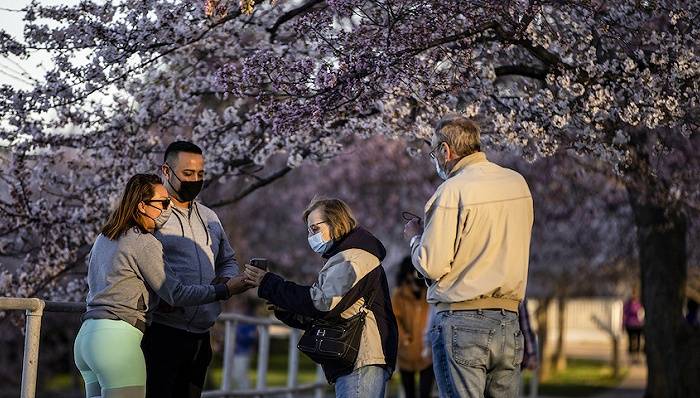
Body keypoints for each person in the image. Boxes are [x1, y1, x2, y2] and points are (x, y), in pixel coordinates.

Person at [74, 174, 253, 398]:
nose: (167, 210)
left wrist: (157, 300)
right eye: (163, 203)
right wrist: (226, 289)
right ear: (142, 205)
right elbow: (176, 293)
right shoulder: (143, 241)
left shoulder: (106, 236)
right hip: (117, 339)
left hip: (87, 338)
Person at [403, 114, 534, 398]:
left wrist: (415, 238)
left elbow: (431, 264)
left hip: (462, 319)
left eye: (433, 152)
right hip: (508, 318)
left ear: (445, 151)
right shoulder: (518, 184)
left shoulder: (453, 189)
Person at [244, 197, 398, 397]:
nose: (310, 236)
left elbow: (324, 303)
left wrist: (270, 284)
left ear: (336, 223)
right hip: (359, 358)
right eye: (308, 230)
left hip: (362, 357)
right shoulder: (346, 256)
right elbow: (333, 311)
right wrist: (288, 311)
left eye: (315, 229)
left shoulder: (352, 257)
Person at [141, 141, 242, 398]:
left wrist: (226, 280)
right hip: (162, 333)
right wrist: (154, 299)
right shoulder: (152, 215)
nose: (195, 180)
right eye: (188, 174)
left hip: (201, 336)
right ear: (166, 171)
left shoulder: (210, 216)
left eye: (200, 174)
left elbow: (228, 259)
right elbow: (132, 259)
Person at [392, 256, 435, 398]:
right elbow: (394, 319)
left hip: (427, 354)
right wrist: (404, 339)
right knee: (409, 393)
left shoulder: (430, 293)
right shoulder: (399, 295)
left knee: (425, 393)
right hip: (406, 354)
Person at [623, 292, 644, 363]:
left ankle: (637, 357)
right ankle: (632, 357)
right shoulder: (628, 305)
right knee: (631, 341)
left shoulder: (638, 304)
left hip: (637, 325)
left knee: (637, 341)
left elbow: (641, 314)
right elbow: (624, 315)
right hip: (630, 325)